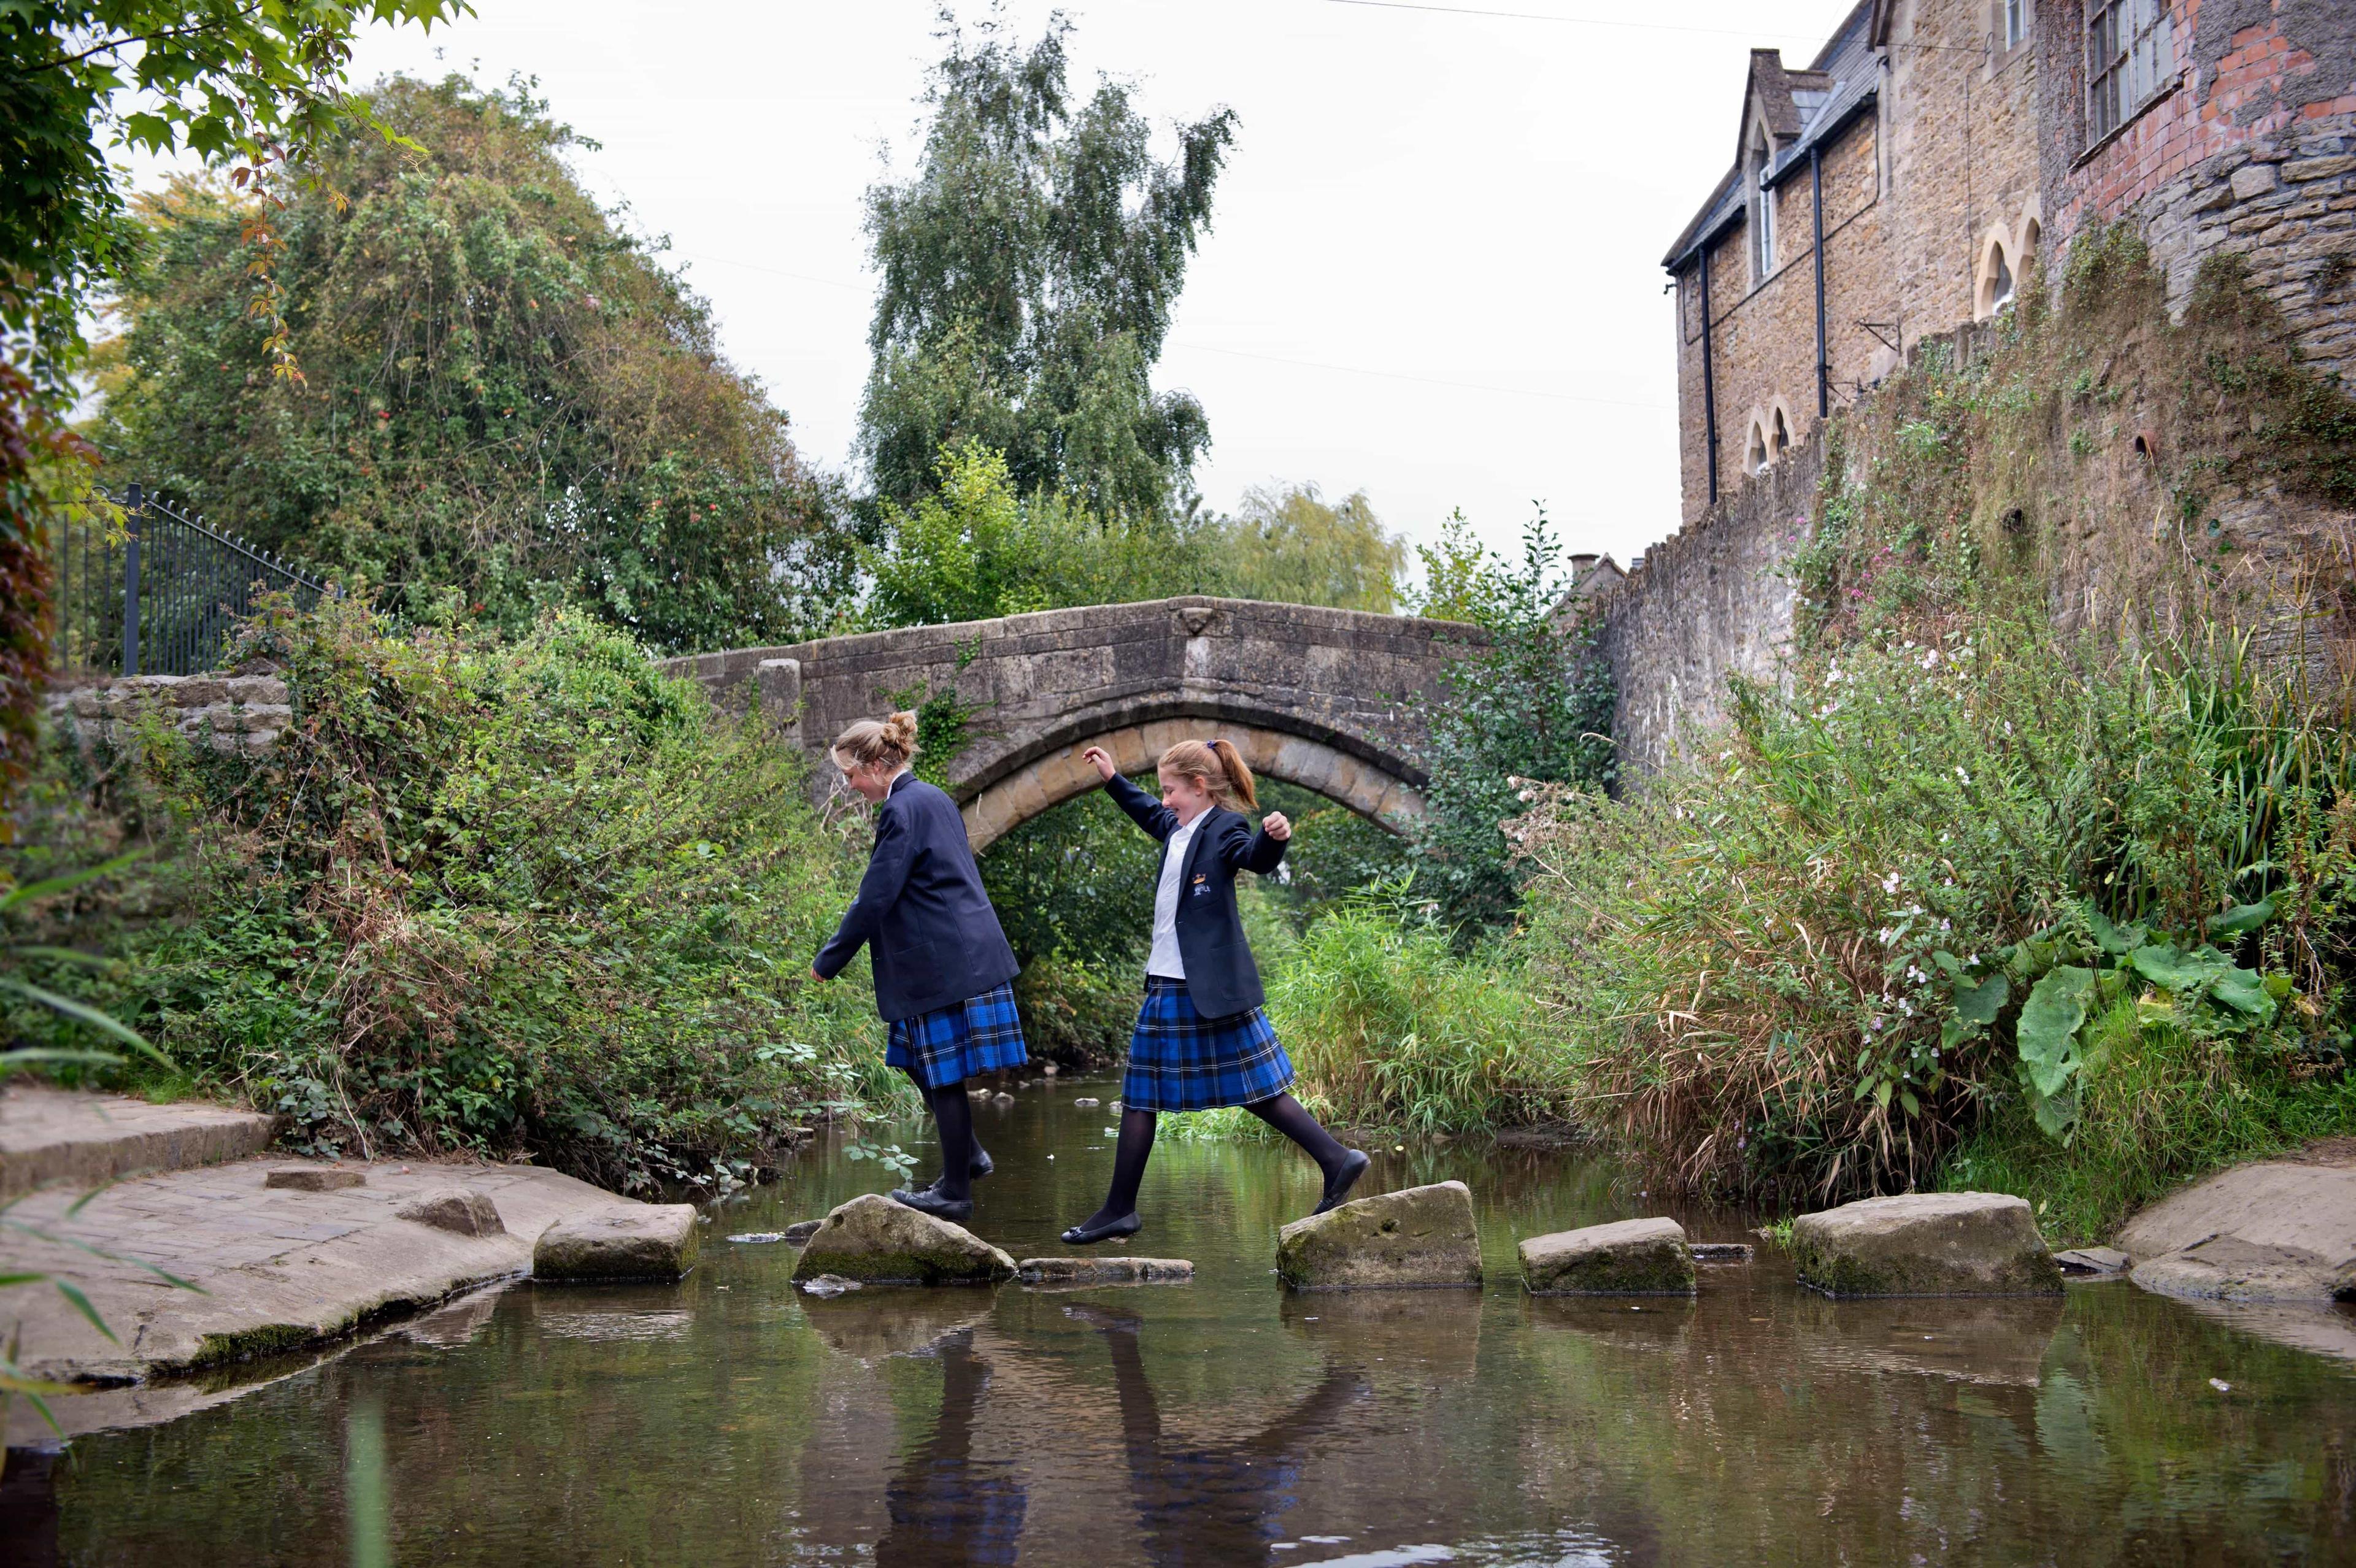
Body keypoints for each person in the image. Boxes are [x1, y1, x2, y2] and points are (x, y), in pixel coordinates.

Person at [1061, 739, 1369, 1246]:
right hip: (1170, 979)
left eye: (1171, 790)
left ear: (1200, 787)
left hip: (1195, 984)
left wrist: (1276, 839)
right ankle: (1337, 1158)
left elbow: (1253, 857)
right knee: (1236, 1092)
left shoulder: (1223, 826)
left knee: (1154, 1096)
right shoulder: (1175, 827)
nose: (1163, 800)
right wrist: (1114, 778)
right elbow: (1146, 810)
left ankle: (1120, 1210)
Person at [810, 711, 1025, 1221]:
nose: (850, 786)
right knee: (912, 1057)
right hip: (955, 954)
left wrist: (831, 957)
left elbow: (876, 894)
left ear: (877, 765)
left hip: (943, 961)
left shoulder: (901, 810)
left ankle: (955, 1193)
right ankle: (968, 1155)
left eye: (851, 775)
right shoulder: (930, 797)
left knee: (942, 1075)